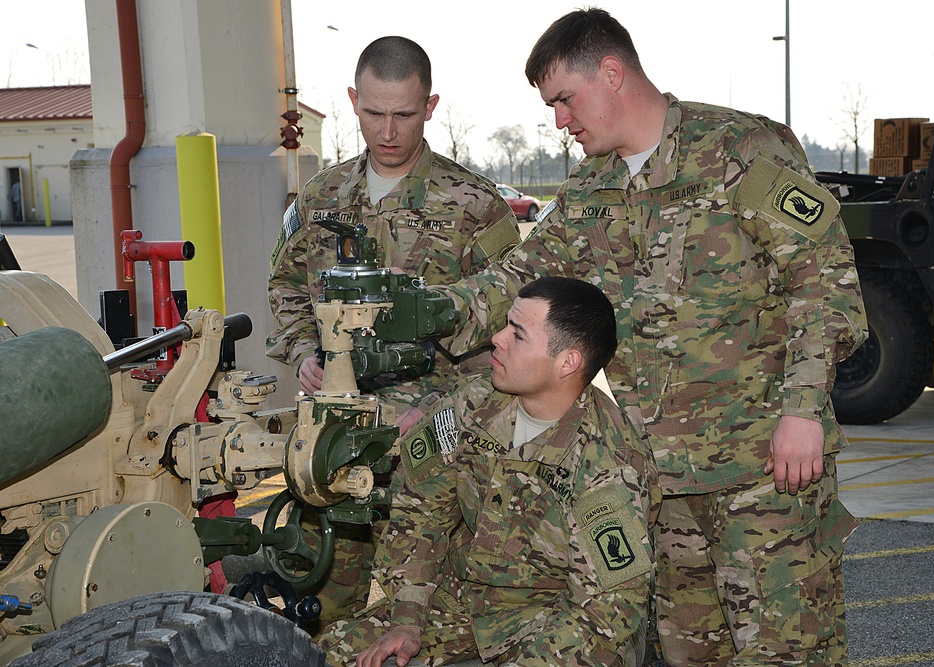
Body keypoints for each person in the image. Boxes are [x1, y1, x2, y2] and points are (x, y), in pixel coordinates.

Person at [429, 9, 868, 667]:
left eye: (565, 100)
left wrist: (802, 410)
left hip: (764, 470)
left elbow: (824, 282)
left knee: (789, 652)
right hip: (663, 484)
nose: (559, 120)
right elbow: (517, 279)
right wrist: (419, 313)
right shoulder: (592, 189)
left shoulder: (740, 150)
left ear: (612, 74)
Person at [265, 36, 521, 624]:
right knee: (320, 604)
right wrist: (306, 348)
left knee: (435, 614)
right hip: (334, 443)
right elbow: (285, 286)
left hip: (435, 446)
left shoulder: (474, 205)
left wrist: (447, 409)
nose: (387, 130)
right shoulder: (322, 195)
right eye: (373, 113)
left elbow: (511, 326)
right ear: (353, 100)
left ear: (430, 107)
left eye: (404, 114)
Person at [320, 276, 659, 667]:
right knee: (335, 654)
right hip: (463, 600)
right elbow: (420, 512)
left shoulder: (609, 467)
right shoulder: (473, 403)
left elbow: (608, 610)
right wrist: (407, 621)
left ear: (567, 362)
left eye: (517, 334)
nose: (497, 339)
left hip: (560, 623)